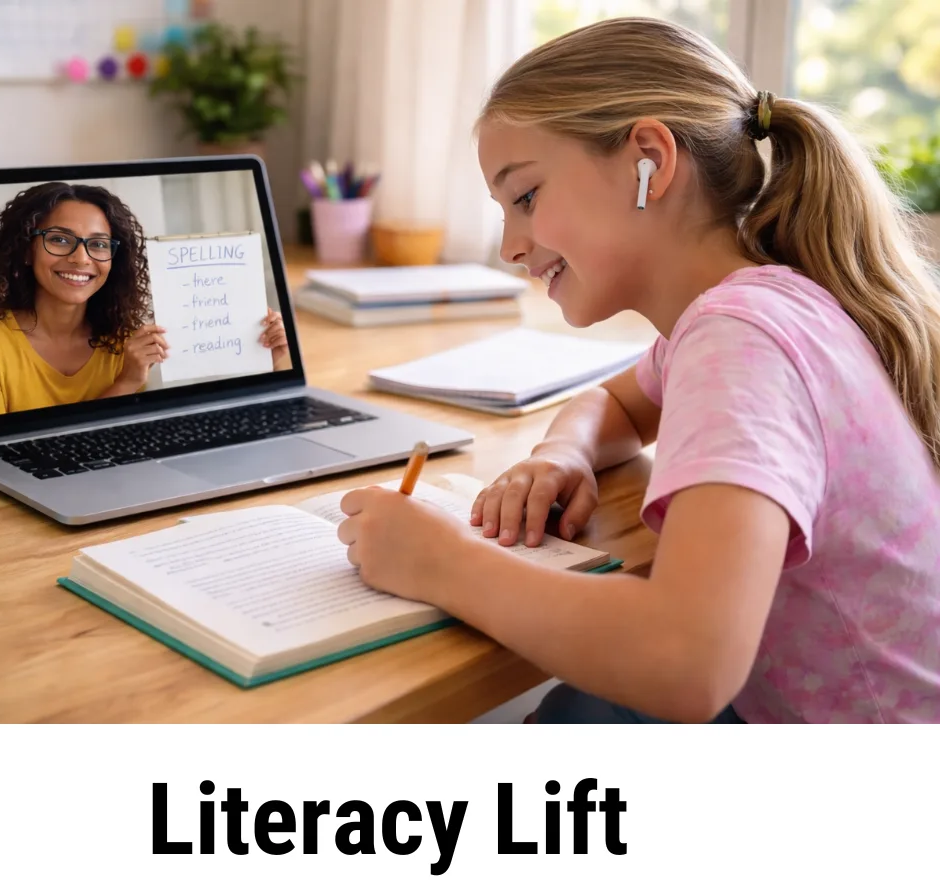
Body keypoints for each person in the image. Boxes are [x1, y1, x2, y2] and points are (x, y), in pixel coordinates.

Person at [336, 17, 940, 724]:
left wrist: (439, 562)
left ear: (648, 159)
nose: (510, 245)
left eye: (525, 197)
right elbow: (615, 404)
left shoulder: (740, 343)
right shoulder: (763, 302)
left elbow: (687, 664)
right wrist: (563, 454)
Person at [0, 181, 289, 421]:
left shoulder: (123, 340)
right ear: (25, 249)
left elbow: (112, 442)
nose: (81, 259)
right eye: (60, 240)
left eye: (98, 244)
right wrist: (125, 383)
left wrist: (270, 362)